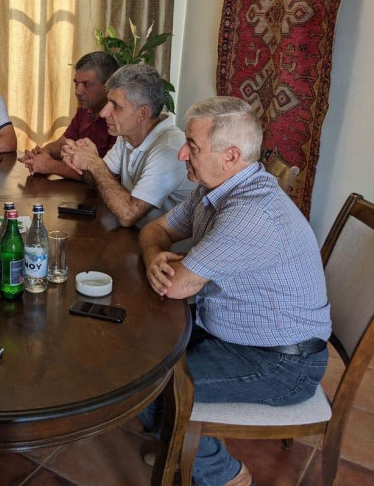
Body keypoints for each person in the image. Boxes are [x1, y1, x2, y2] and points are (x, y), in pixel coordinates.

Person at [139, 96, 331, 486]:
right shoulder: (213, 190)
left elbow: (175, 286)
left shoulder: (250, 212)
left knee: (146, 389)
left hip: (282, 363)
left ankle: (224, 473)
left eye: (192, 146)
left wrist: (166, 267)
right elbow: (154, 230)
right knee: (140, 351)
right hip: (233, 334)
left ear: (230, 156)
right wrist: (155, 256)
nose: (182, 154)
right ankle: (180, 438)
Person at [61, 63, 194, 227]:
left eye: (115, 106)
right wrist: (82, 160)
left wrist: (95, 164)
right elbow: (97, 182)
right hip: (134, 235)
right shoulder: (126, 135)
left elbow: (128, 215)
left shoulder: (170, 149)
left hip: (162, 242)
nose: (103, 113)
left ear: (142, 114)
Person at [19, 52, 118, 179]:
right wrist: (43, 153)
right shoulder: (85, 109)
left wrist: (51, 166)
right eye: (76, 84)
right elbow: (62, 142)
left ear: (108, 86)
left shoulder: (119, 120)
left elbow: (106, 176)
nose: (77, 92)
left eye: (86, 84)